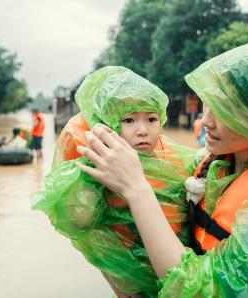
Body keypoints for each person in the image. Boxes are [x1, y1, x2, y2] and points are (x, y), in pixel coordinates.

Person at [76, 37, 248, 297]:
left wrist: (136, 189)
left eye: (223, 110)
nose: (206, 121)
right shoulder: (216, 164)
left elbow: (204, 291)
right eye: (208, 105)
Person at [33, 66, 196, 297]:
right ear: (108, 124)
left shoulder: (174, 159)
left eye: (151, 119)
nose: (142, 130)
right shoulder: (98, 165)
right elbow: (78, 221)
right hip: (132, 276)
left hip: (179, 267)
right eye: (129, 120)